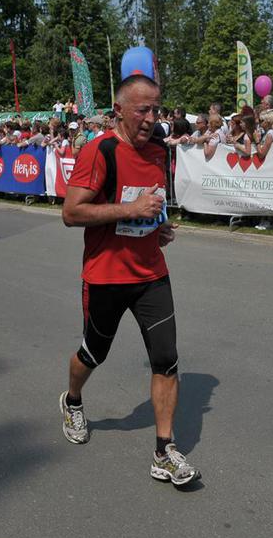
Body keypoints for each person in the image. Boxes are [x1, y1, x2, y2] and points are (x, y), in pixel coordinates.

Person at [59, 74, 200, 487]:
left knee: (166, 359)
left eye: (156, 108)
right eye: (142, 110)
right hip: (105, 275)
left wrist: (159, 224)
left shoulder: (158, 147)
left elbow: (148, 200)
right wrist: (130, 209)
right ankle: (72, 401)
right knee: (93, 353)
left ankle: (164, 450)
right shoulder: (99, 150)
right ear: (119, 109)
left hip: (151, 273)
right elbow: (71, 213)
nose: (151, 118)